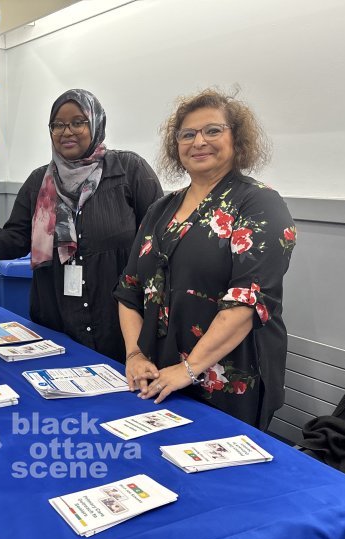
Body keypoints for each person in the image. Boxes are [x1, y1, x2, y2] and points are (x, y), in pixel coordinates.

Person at [114, 89, 296, 430]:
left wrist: (188, 369)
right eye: (187, 134)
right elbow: (129, 290)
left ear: (236, 138)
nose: (199, 141)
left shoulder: (259, 204)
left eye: (212, 130)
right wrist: (135, 355)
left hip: (227, 381)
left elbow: (247, 302)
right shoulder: (160, 209)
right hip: (158, 376)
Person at [0, 89, 163, 362]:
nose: (67, 132)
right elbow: (18, 237)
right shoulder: (38, 182)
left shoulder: (129, 171)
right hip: (56, 319)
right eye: (58, 124)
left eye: (78, 122)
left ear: (96, 123)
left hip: (119, 322)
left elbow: (157, 239)